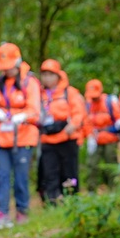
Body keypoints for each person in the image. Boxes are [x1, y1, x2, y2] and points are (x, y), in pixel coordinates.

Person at [0, 43, 41, 229]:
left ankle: (22, 212)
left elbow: (35, 110)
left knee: (21, 176)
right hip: (2, 139)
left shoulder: (30, 82)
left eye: (9, 67)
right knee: (2, 175)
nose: (7, 71)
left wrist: (23, 115)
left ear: (18, 63)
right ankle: (1, 213)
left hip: (24, 137)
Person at [36, 59, 86, 204]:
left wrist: (73, 125)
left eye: (50, 74)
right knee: (50, 172)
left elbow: (79, 112)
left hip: (67, 138)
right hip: (47, 140)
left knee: (69, 171)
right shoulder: (39, 95)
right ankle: (53, 201)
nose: (47, 78)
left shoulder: (69, 92)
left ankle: (72, 200)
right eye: (44, 74)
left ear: (58, 76)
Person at [83, 79, 120, 192]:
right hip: (96, 139)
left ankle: (114, 189)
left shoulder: (110, 101)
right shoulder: (88, 104)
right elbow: (87, 122)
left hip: (110, 139)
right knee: (92, 164)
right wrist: (90, 136)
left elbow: (119, 116)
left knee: (111, 165)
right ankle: (91, 190)